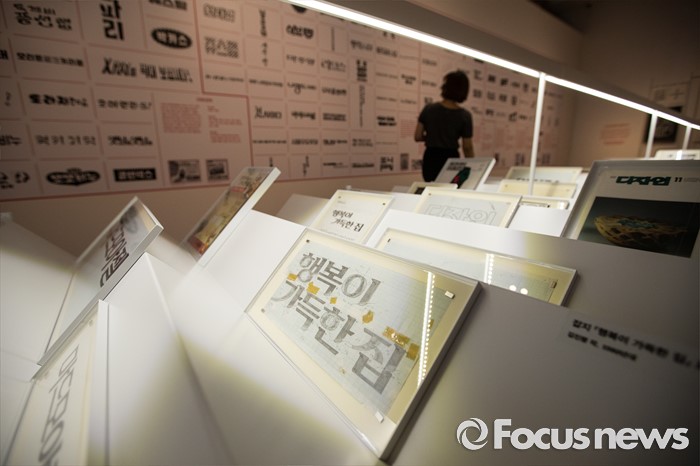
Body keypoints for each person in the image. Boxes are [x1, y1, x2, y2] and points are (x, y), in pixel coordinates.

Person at [414, 70, 474, 182]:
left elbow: (418, 136)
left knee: (430, 187)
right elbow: (467, 147)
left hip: (430, 158)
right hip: (451, 159)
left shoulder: (429, 109)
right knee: (449, 188)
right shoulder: (465, 116)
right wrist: (473, 168)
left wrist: (432, 137)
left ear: (445, 86)